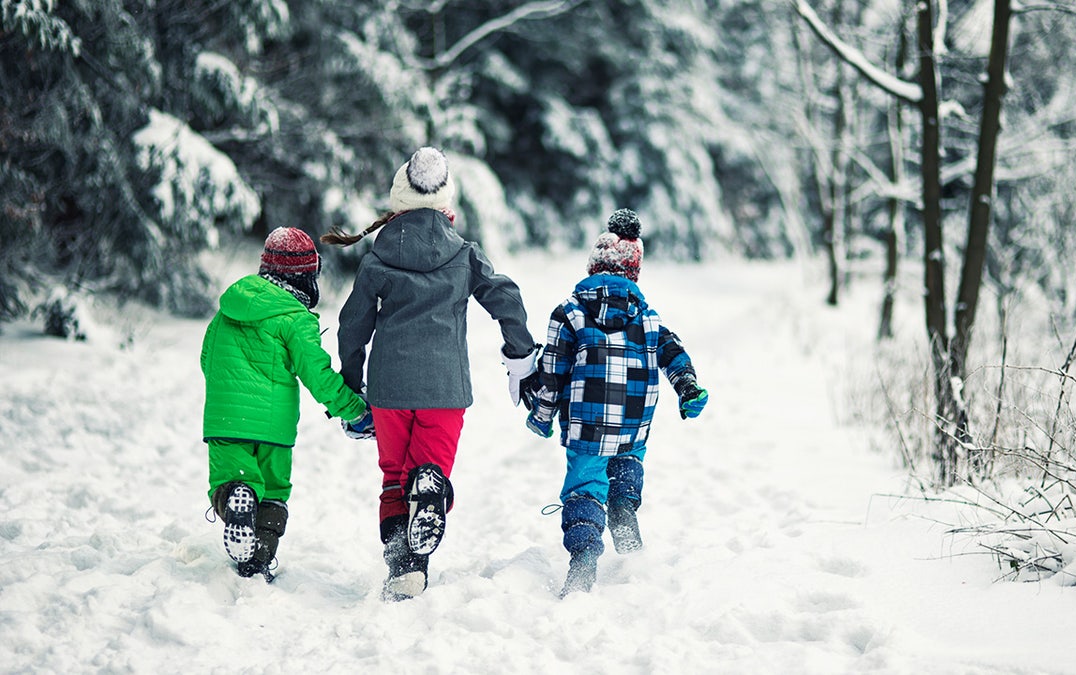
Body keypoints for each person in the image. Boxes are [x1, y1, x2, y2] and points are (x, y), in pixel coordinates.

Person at [323, 146, 537, 601]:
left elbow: (352, 325)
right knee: (428, 470)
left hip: (389, 389)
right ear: (446, 205)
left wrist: (350, 383)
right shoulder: (464, 256)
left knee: (393, 477)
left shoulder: (378, 259)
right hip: (445, 388)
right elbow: (507, 299)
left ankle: (405, 566)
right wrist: (520, 356)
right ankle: (431, 486)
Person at [523, 208, 709, 597]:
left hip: (588, 426)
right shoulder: (647, 316)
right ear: (634, 274)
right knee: (626, 464)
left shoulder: (569, 312)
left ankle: (584, 561)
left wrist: (541, 416)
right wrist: (687, 388)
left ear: (592, 267)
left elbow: (553, 372)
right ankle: (625, 521)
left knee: (586, 487)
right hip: (633, 422)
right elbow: (674, 354)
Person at [201, 227, 374, 581]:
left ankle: (236, 496)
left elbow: (207, 358)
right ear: (304, 276)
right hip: (274, 426)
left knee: (231, 479)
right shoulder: (295, 318)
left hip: (224, 419)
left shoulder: (228, 309)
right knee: (273, 493)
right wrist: (354, 409)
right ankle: (257, 563)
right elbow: (318, 374)